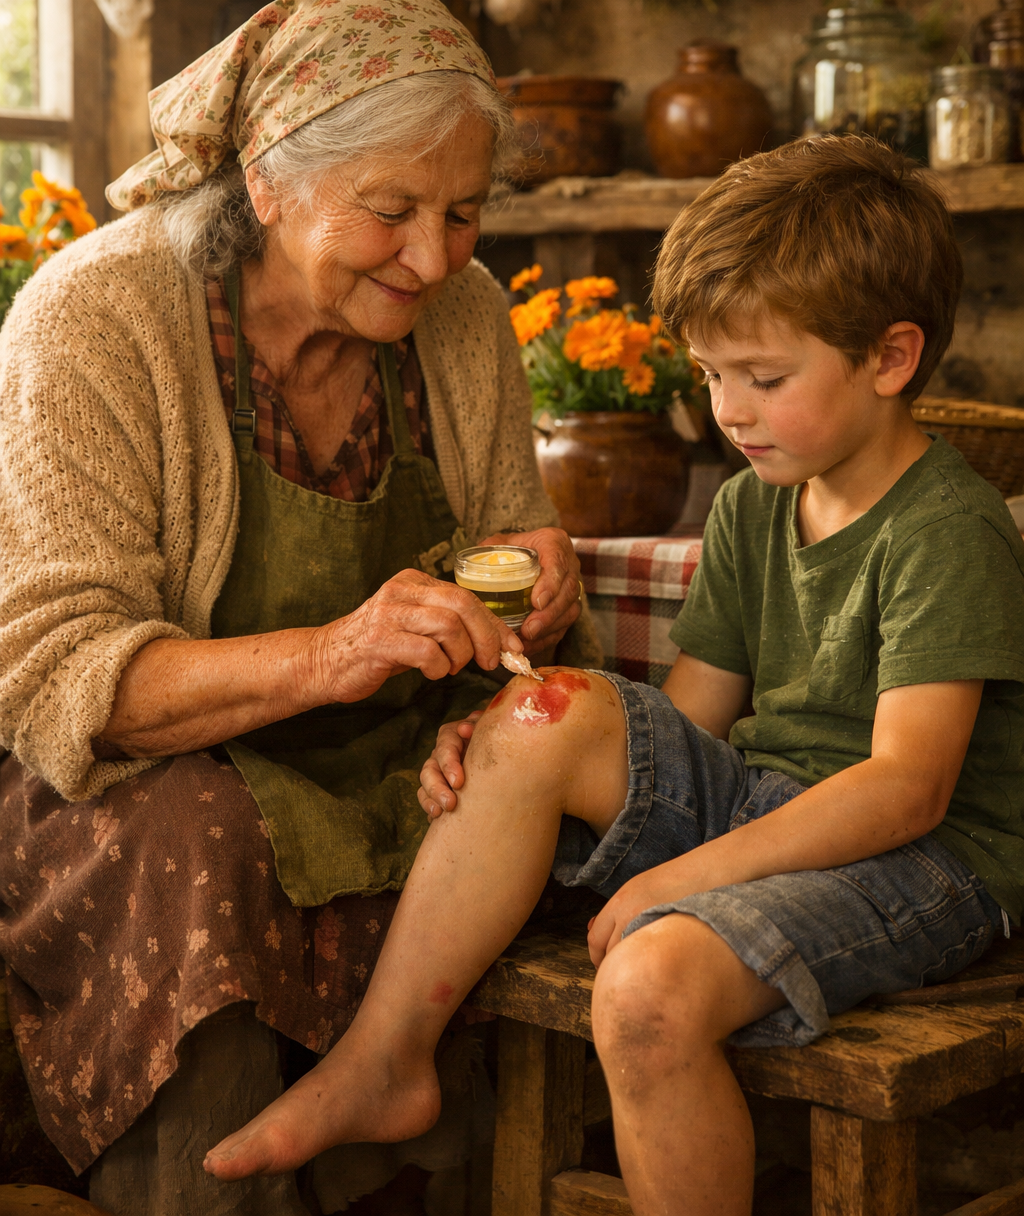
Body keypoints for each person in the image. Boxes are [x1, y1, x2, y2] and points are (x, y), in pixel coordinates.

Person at [203, 134, 1024, 1216]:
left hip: (929, 858)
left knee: (644, 989)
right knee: (543, 713)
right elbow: (688, 721)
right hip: (769, 800)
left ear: (890, 358)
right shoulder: (754, 502)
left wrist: (678, 881)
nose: (727, 411)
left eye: (764, 379)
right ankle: (384, 1060)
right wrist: (518, 745)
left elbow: (906, 789)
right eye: (712, 375)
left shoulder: (945, 527)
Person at [0, 0, 599, 1214]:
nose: (432, 258)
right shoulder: (98, 314)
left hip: (381, 755)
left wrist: (537, 586)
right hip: (147, 780)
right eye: (390, 210)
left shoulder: (464, 316)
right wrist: (334, 652)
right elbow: (67, 681)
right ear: (267, 182)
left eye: (463, 213)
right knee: (204, 840)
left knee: (540, 800)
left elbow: (507, 544)